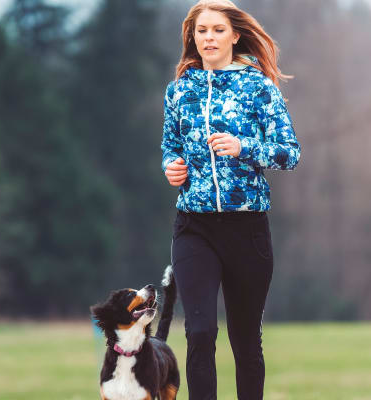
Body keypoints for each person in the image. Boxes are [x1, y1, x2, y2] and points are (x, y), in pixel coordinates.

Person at [160, 1, 300, 399]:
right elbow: (170, 146)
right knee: (200, 332)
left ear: (235, 35)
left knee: (245, 343)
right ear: (193, 36)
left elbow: (290, 152)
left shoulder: (258, 87)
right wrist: (172, 166)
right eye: (201, 31)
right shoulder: (179, 90)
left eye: (218, 30)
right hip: (194, 226)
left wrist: (243, 147)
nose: (209, 38)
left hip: (247, 228)